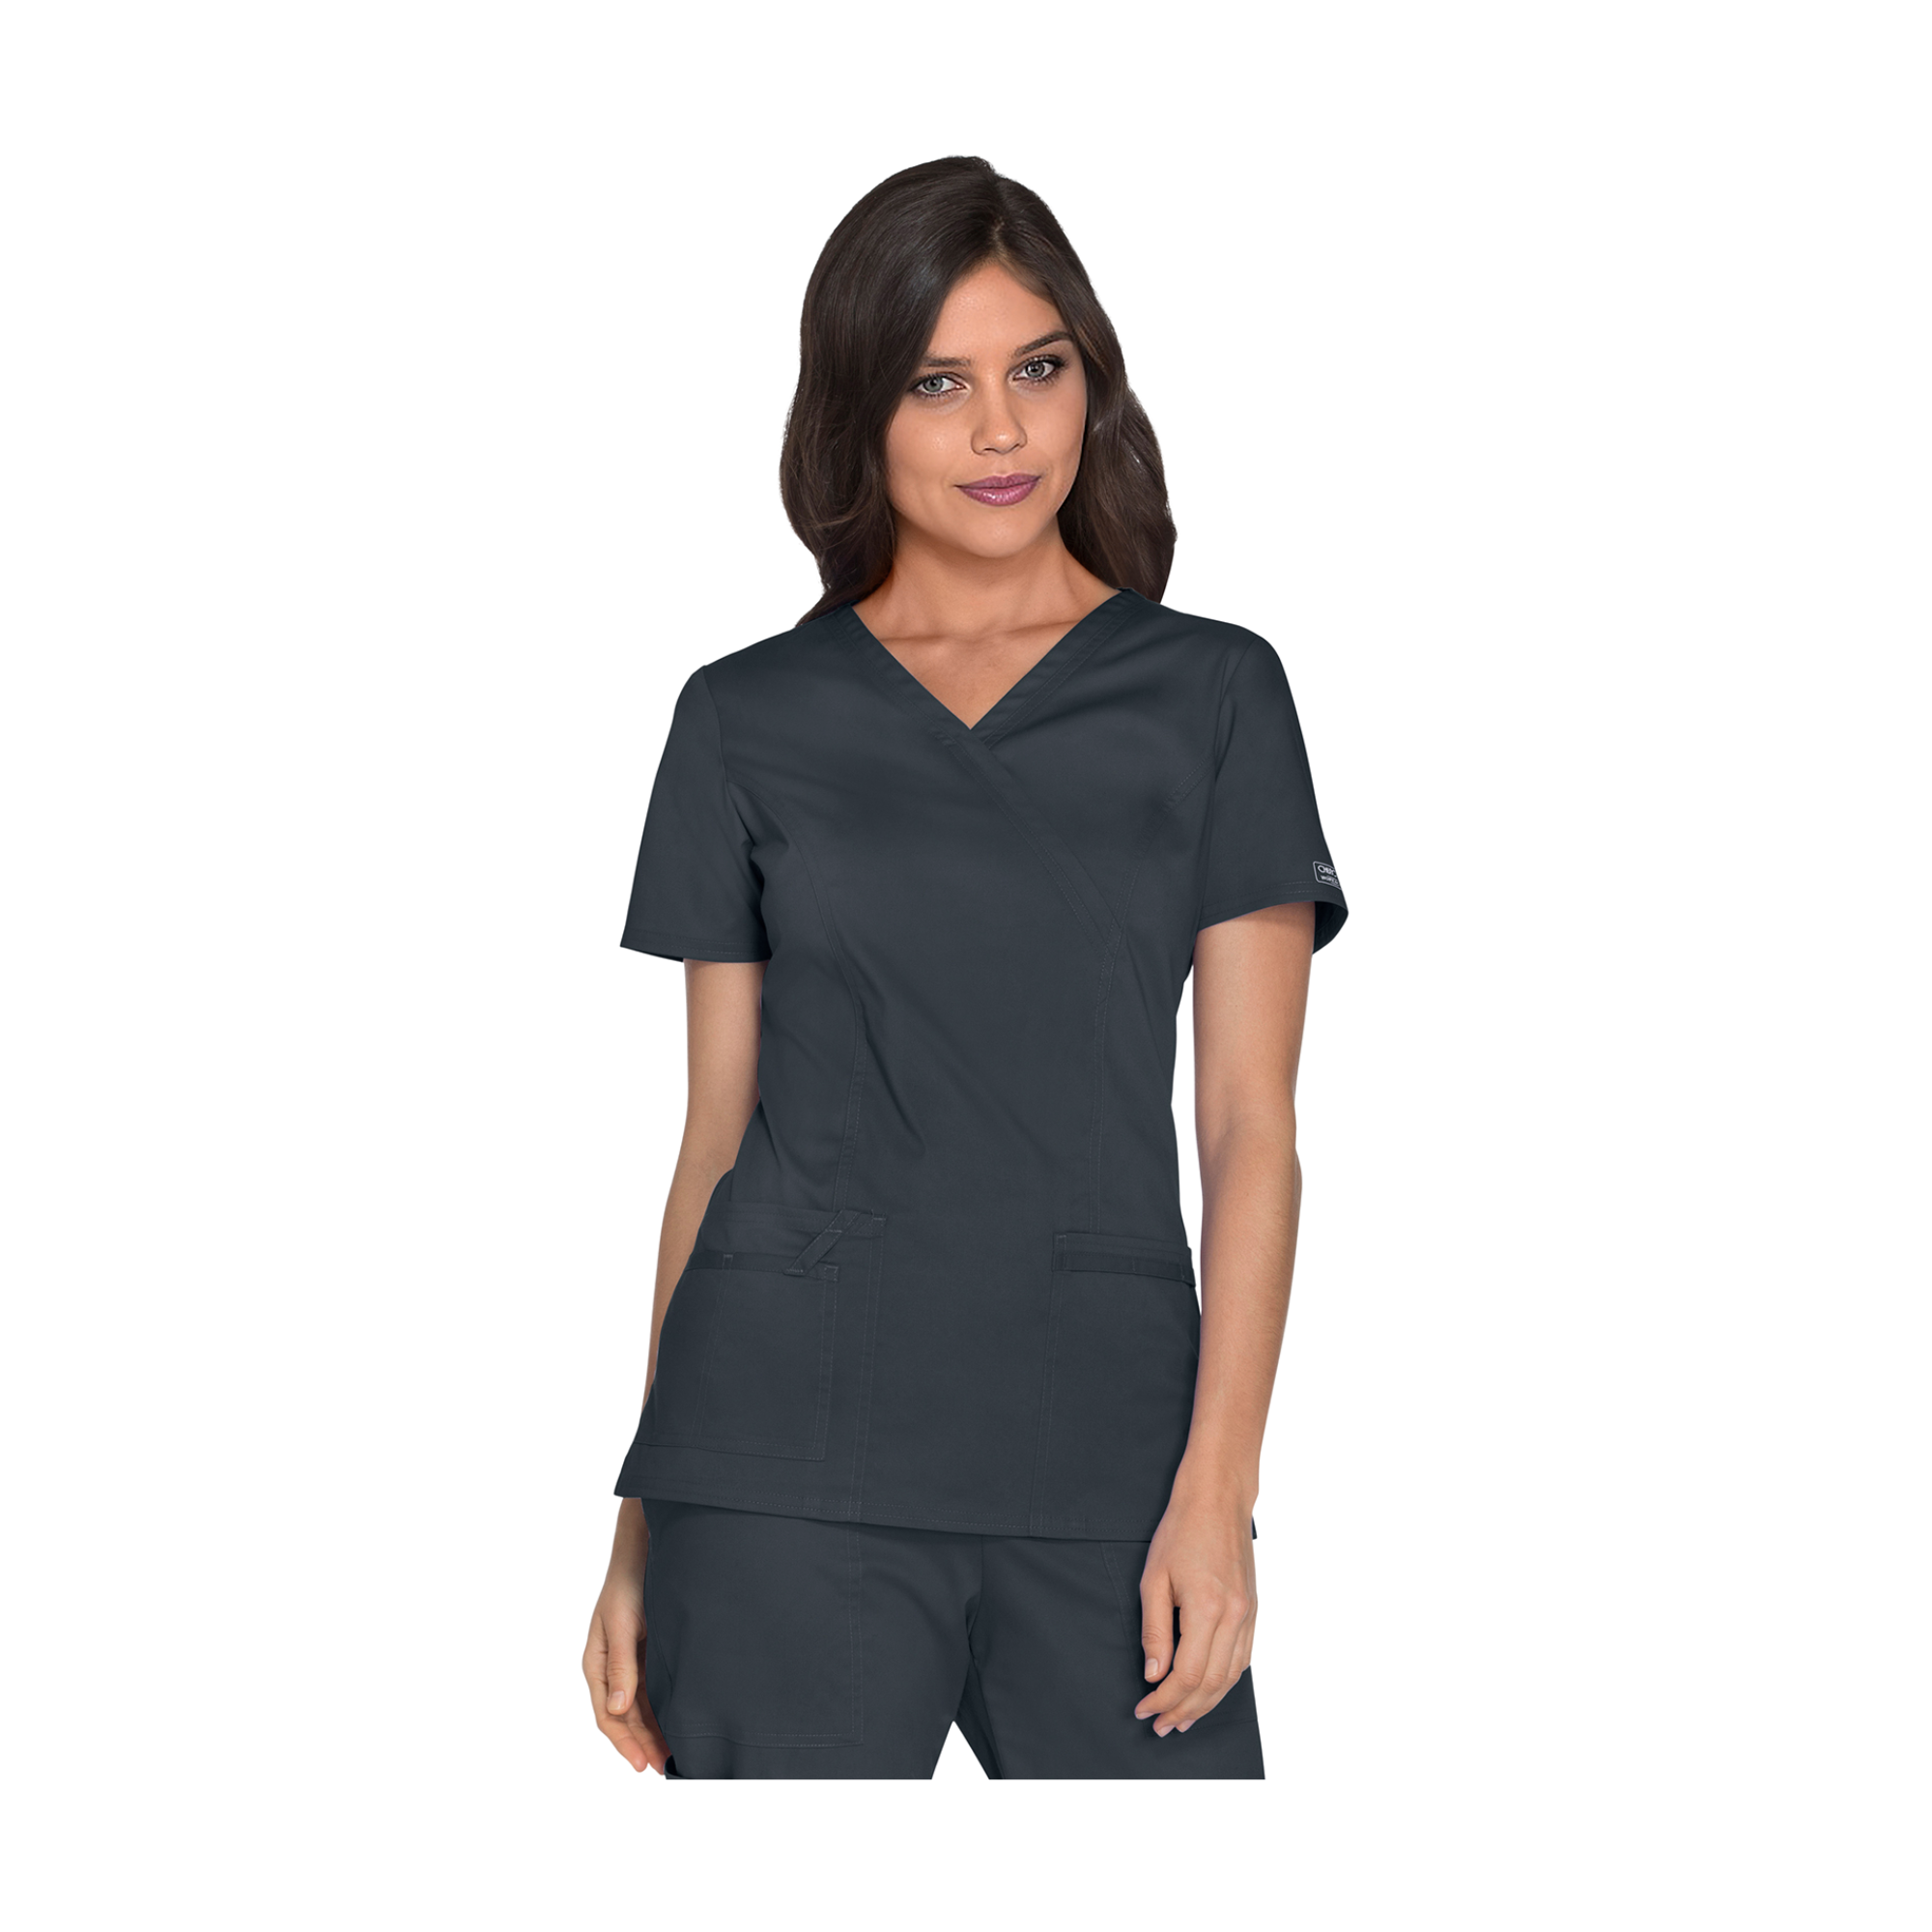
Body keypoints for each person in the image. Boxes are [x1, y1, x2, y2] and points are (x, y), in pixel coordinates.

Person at [582, 155, 1349, 1779]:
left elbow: (1249, 1131)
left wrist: (1218, 1493)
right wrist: (644, 1518)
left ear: (1092, 384)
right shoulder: (743, 718)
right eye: (939, 384)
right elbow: (715, 1141)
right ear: (857, 411)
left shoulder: (1215, 696)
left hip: (1111, 1454)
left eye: (1037, 369)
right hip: (776, 1464)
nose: (1002, 431)